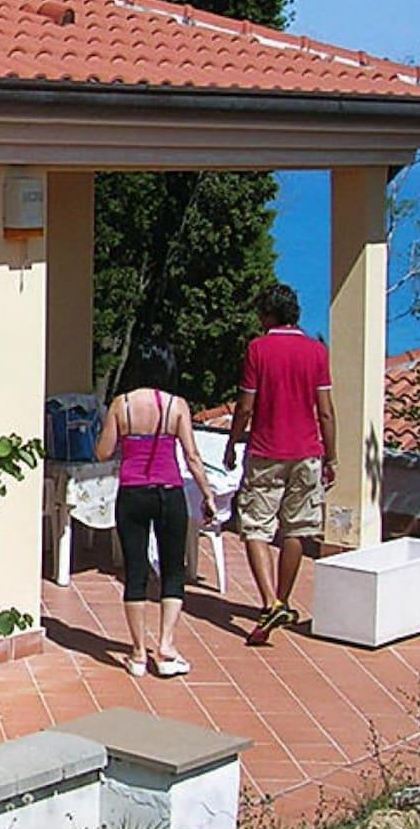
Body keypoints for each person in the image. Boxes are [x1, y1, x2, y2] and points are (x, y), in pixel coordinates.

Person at [223, 284, 336, 646]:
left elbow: (245, 406)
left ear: (268, 314)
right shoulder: (317, 352)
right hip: (307, 453)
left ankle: (270, 601)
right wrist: (331, 456)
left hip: (266, 451)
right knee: (296, 529)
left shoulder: (258, 349)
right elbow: (326, 411)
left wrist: (232, 442)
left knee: (256, 527)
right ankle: (283, 601)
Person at [95, 344, 216, 678]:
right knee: (173, 569)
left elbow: (103, 452)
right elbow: (192, 456)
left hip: (132, 493)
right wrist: (207, 495)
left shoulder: (121, 404)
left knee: (135, 571)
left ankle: (137, 653)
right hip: (169, 492)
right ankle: (165, 647)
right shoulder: (177, 405)